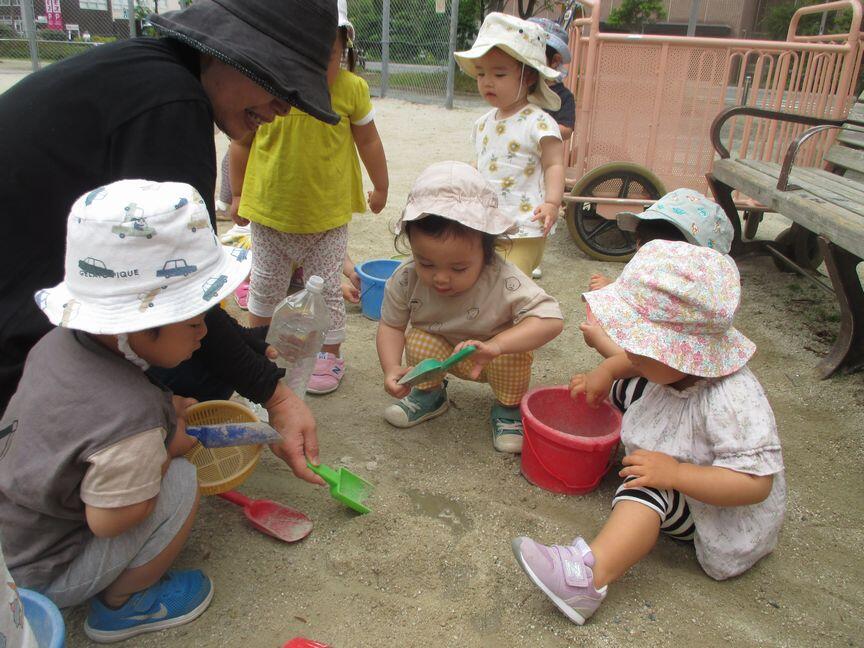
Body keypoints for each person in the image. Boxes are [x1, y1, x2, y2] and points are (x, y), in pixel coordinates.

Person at [0, 0, 339, 485]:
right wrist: (276, 395)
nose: (284, 107)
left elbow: (164, 280)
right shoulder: (171, 107)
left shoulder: (149, 70)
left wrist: (244, 345)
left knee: (207, 358)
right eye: (278, 82)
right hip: (17, 339)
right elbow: (171, 292)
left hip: (34, 280)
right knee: (199, 374)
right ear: (228, 52)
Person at [0, 180, 254, 641]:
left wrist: (161, 412)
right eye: (195, 321)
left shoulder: (58, 344)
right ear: (143, 324)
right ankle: (124, 604)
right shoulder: (130, 418)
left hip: (12, 538)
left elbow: (84, 422)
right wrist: (165, 447)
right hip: (45, 573)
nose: (204, 333)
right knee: (181, 483)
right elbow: (109, 519)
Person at [512, 240, 785, 625]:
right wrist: (606, 373)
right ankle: (631, 462)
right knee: (628, 386)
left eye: (640, 346)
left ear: (680, 352)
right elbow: (638, 364)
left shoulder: (734, 400)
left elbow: (755, 485)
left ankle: (588, 578)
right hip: (684, 456)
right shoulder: (679, 368)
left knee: (647, 489)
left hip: (713, 507)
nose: (628, 350)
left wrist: (675, 475)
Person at [229, 0, 388, 395]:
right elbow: (241, 144)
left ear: (344, 50)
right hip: (270, 213)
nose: (314, 66)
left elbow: (368, 139)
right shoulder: (265, 87)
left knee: (328, 289)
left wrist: (381, 185)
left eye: (326, 56)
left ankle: (329, 355)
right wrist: (236, 194)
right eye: (301, 54)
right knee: (265, 285)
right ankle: (257, 349)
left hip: (327, 217)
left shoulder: (351, 89)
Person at [377, 161, 563, 452]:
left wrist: (499, 345)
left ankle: (508, 408)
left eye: (459, 267)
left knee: (514, 353)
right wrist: (391, 368)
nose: (440, 277)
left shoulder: (503, 278)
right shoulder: (406, 278)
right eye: (426, 262)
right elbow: (391, 325)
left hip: (489, 357)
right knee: (418, 338)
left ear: (488, 251)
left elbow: (551, 319)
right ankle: (430, 395)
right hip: (439, 354)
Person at [454, 12, 565, 280]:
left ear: (528, 77)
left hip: (524, 227)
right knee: (483, 280)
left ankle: (519, 320)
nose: (487, 82)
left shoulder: (539, 122)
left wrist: (552, 202)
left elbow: (554, 163)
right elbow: (482, 161)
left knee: (511, 284)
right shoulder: (482, 123)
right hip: (487, 224)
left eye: (499, 73)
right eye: (481, 74)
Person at [583, 189, 734, 359]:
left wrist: (600, 340)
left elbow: (640, 363)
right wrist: (614, 288)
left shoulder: (682, 312)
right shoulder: (682, 282)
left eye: (649, 245)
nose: (640, 250)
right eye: (641, 242)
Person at [528, 17, 576, 143]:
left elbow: (567, 129)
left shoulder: (564, 96)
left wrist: (538, 129)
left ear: (555, 61)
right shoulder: (523, 86)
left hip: (544, 154)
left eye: (534, 57)